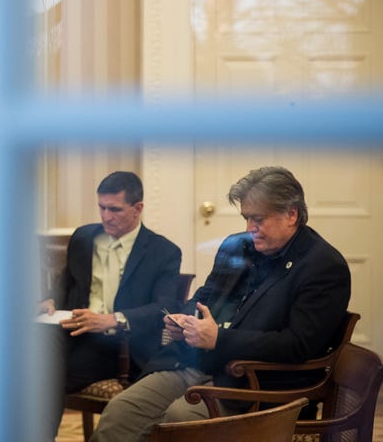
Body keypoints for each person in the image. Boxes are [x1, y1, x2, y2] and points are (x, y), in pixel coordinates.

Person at [90, 166, 352, 442]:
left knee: (180, 420)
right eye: (247, 218)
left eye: (258, 219)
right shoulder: (238, 246)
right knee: (120, 413)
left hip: (255, 386)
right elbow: (206, 297)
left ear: (291, 214)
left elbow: (298, 345)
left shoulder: (322, 266)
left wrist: (219, 339)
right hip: (196, 365)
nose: (250, 229)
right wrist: (184, 319)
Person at [38, 171, 182, 438]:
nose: (106, 216)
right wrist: (50, 300)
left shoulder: (164, 252)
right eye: (101, 207)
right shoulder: (83, 237)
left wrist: (112, 319)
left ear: (138, 208)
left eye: (115, 209)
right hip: (71, 332)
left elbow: (164, 308)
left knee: (41, 373)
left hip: (119, 346)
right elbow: (67, 283)